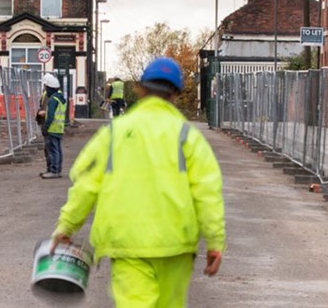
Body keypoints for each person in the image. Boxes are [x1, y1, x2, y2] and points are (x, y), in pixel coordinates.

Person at [49, 58, 226, 307]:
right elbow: (208, 193)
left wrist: (65, 227)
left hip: (127, 243)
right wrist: (215, 243)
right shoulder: (188, 136)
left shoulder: (113, 133)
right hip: (175, 247)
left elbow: (85, 185)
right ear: (175, 94)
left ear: (141, 89)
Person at [37, 73, 68, 179]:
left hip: (52, 128)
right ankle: (57, 169)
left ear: (49, 87)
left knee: (52, 150)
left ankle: (53, 170)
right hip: (59, 128)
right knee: (57, 150)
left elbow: (50, 116)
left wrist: (45, 127)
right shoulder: (60, 98)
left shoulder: (52, 100)